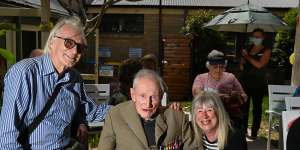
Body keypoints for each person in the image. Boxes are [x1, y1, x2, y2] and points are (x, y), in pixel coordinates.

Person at [0, 16, 111, 149]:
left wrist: (131, 108)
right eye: (69, 43)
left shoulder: (74, 78)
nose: (75, 51)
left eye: (80, 48)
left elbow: (88, 110)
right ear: (52, 42)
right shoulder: (25, 73)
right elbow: (7, 136)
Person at [98, 69, 193, 149]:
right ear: (133, 94)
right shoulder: (115, 116)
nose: (148, 103)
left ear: (161, 96)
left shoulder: (177, 118)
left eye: (154, 97)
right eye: (143, 96)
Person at [192, 50, 247, 128]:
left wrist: (237, 96)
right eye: (215, 67)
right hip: (208, 115)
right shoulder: (201, 78)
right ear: (208, 66)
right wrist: (218, 96)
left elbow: (244, 96)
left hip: (230, 115)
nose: (218, 70)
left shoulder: (230, 77)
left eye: (221, 67)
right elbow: (197, 93)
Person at [239, 28, 271, 139]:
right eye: (254, 36)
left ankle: (254, 132)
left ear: (263, 38)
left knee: (256, 109)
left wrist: (247, 56)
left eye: (259, 37)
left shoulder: (266, 50)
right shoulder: (248, 49)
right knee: (244, 107)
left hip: (258, 83)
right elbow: (242, 66)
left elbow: (259, 65)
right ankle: (242, 131)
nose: (256, 39)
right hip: (245, 82)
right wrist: (242, 60)